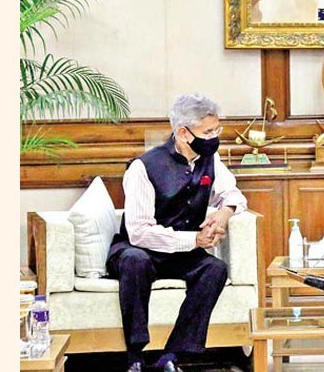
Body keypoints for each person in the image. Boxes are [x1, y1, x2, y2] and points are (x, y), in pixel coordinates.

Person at [106, 93, 248, 372]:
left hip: (181, 254)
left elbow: (233, 194)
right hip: (139, 251)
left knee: (214, 269)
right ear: (183, 133)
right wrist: (194, 239)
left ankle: (171, 356)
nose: (215, 137)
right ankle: (135, 356)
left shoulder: (211, 161)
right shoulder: (143, 168)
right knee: (136, 260)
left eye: (217, 129)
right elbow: (139, 233)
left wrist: (224, 211)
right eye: (208, 132)